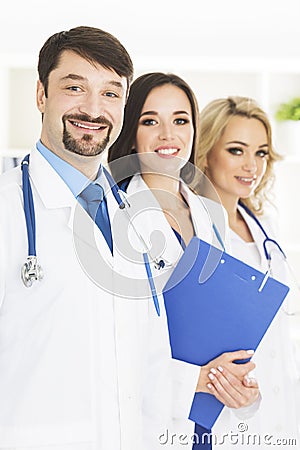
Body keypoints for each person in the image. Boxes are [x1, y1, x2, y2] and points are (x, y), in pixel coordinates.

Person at [0, 27, 201, 450]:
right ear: (41, 95)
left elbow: (141, 362)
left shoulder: (137, 221)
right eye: (75, 87)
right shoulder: (9, 210)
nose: (94, 109)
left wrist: (210, 380)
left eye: (111, 93)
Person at [108, 73, 261, 449]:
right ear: (131, 132)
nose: (168, 135)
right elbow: (113, 344)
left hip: (210, 419)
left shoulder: (211, 214)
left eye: (180, 120)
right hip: (149, 420)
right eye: (150, 121)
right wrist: (192, 380)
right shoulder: (114, 218)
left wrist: (244, 393)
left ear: (194, 129)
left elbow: (223, 323)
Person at [195, 96, 300, 448]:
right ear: (207, 152)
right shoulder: (192, 231)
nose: (252, 165)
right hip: (226, 420)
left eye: (261, 152)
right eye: (237, 150)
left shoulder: (265, 227)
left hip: (282, 411)